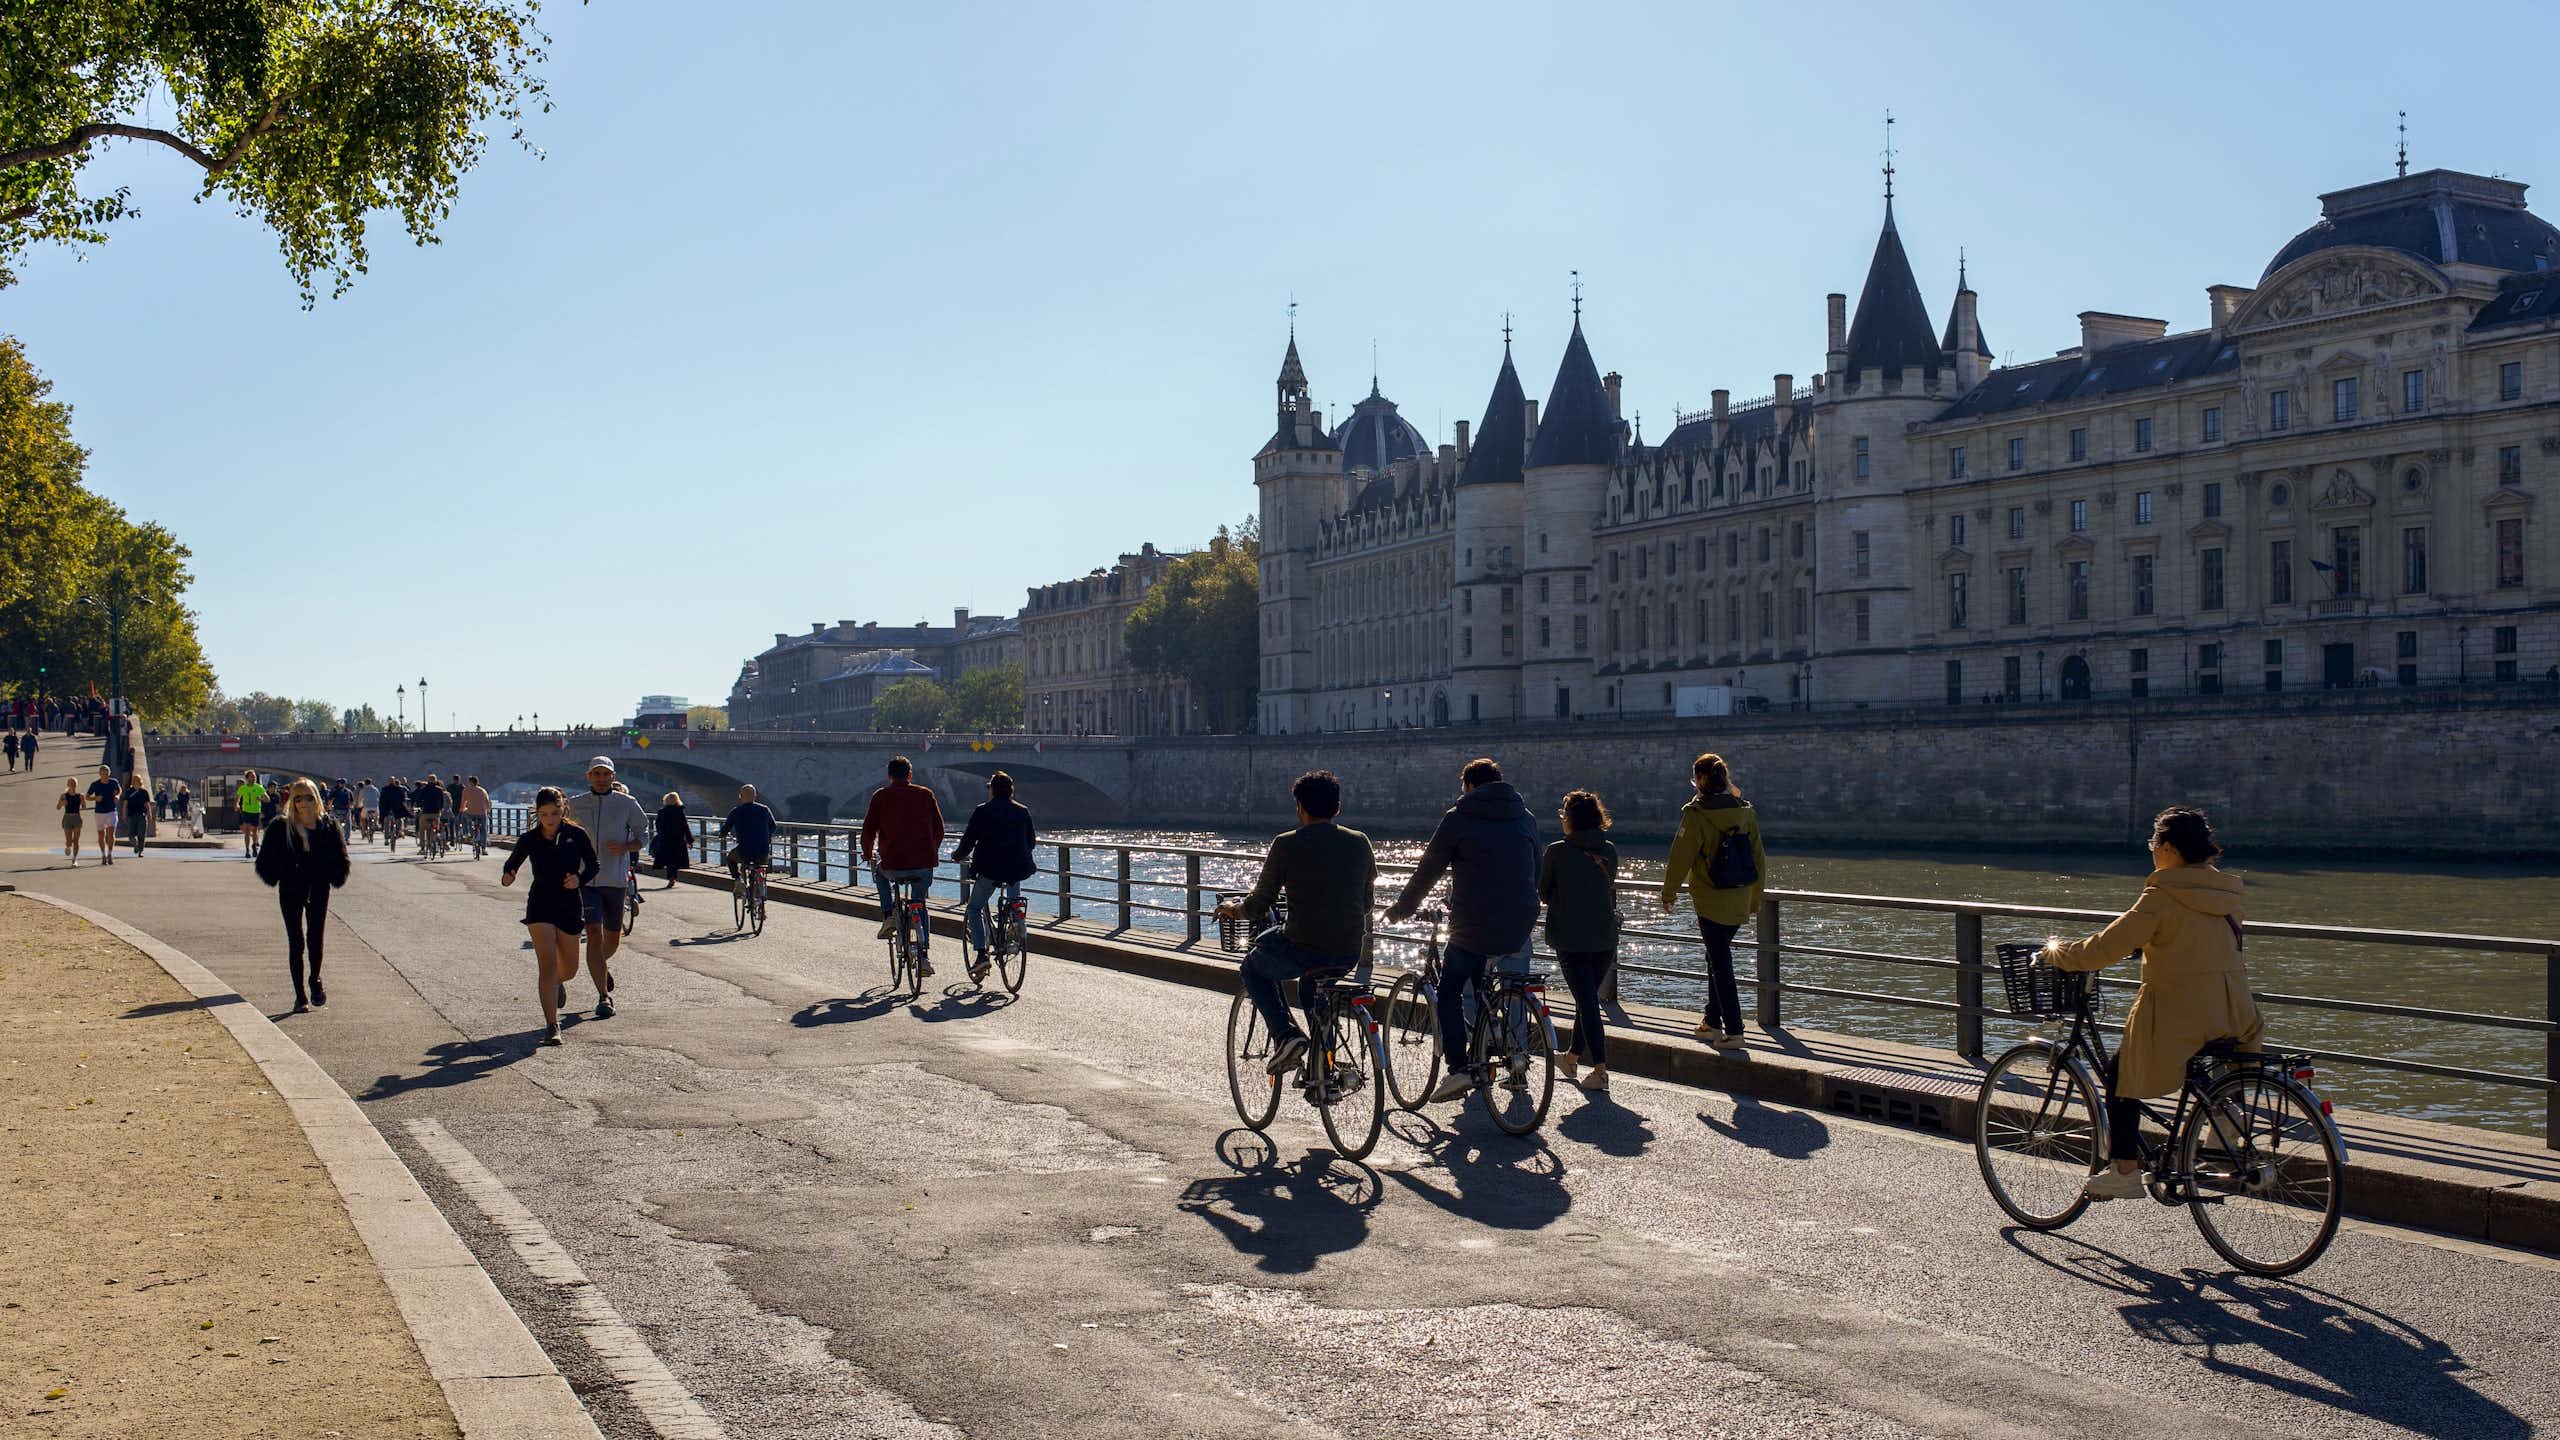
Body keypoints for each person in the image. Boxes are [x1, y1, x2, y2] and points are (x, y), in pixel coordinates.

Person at [2044, 807, 2263, 1201]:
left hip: (2179, 1011)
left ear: (2168, 847)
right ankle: (2223, 1116)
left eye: (2154, 844)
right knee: (2210, 1063)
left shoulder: (2161, 894)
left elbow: (2105, 947)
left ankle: (2124, 1172)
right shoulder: (2228, 894)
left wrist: (2059, 955)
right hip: (2234, 1009)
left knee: (2119, 1076)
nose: (2152, 851)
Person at [1383, 757, 1541, 1103]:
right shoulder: (1525, 818)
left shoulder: (1460, 818)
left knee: (1450, 991)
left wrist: (1400, 910)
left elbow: (1428, 870)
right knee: (1506, 982)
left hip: (1473, 925)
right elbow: (1537, 871)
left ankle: (1459, 1069)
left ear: (1469, 786)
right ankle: (1510, 1052)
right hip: (1520, 922)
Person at [1213, 771, 1376, 1081]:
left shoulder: (1286, 843)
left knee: (1252, 966)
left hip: (1303, 945)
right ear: (1337, 808)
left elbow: (1259, 904)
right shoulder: (1360, 842)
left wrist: (1232, 910)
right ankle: (1323, 1066)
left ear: (1300, 807)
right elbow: (1366, 902)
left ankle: (1286, 1036)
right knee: (1312, 990)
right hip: (1347, 949)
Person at [1660, 752, 1765, 1049]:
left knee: (1720, 963)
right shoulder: (1745, 813)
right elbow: (1759, 859)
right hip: (1740, 898)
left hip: (1710, 899)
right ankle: (1711, 1021)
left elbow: (1679, 857)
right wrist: (1755, 899)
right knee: (1715, 957)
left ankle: (1734, 1029)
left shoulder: (1696, 816)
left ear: (1698, 781)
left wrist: (1668, 894)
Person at [501, 785, 599, 1047]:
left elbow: (593, 865)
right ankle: (551, 1026)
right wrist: (508, 875)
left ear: (562, 809)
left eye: (554, 814)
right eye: (544, 815)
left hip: (568, 904)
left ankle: (557, 983)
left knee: (569, 969)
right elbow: (513, 862)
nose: (549, 820)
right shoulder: (530, 838)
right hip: (540, 904)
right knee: (547, 964)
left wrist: (579, 879)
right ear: (537, 813)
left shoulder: (576, 834)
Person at [1541, 789, 1621, 1091]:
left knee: (1587, 1001)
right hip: (1604, 937)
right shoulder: (1609, 850)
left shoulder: (1556, 851)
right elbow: (1608, 882)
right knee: (1586, 999)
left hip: (1570, 937)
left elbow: (1544, 892)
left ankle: (1600, 1070)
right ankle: (1572, 1057)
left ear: (1570, 819)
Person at [255, 778, 350, 1013]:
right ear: (292, 802)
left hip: (318, 886)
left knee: (315, 938)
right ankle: (300, 996)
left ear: (316, 799)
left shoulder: (328, 825)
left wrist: (332, 875)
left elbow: (341, 858)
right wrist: (280, 874)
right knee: (295, 941)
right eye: (298, 799)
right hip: (291, 887)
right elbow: (265, 862)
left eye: (309, 797)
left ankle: (315, 979)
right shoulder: (280, 827)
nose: (304, 803)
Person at [565, 757, 647, 1016]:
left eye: (605, 774)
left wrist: (626, 847)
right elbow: (559, 832)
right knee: (594, 933)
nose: (601, 778)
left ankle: (599, 967)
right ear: (588, 776)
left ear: (613, 777)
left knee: (612, 939)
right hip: (585, 880)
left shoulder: (627, 804)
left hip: (615, 879)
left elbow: (643, 834)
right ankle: (604, 997)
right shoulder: (575, 805)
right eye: (596, 774)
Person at [860, 757, 945, 975]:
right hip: (924, 864)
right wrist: (931, 851)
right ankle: (924, 956)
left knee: (879, 873)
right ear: (910, 775)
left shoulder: (881, 796)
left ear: (889, 776)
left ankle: (888, 914)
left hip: (893, 863)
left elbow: (868, 830)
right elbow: (939, 828)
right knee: (920, 903)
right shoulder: (926, 794)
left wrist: (868, 853)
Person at [951, 771, 1037, 982]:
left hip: (990, 868)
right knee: (1013, 890)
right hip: (1017, 868)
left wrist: (958, 855)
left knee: (973, 907)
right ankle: (1015, 920)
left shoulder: (983, 811)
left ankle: (981, 954)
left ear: (992, 790)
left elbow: (969, 840)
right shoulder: (1022, 811)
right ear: (1011, 791)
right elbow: (1031, 841)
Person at [719, 784, 776, 882]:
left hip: (744, 850)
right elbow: (773, 826)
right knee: (760, 865)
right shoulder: (764, 809)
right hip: (763, 850)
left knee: (730, 859)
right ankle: (761, 886)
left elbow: (726, 828)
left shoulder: (736, 811)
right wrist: (767, 836)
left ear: (740, 796)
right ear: (755, 796)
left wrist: (722, 835)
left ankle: (737, 878)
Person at [650, 791, 691, 888]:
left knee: (669, 861)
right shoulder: (680, 811)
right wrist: (689, 840)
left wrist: (662, 834)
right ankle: (673, 877)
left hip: (665, 840)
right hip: (678, 840)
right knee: (675, 860)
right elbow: (685, 826)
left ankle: (671, 878)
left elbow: (658, 826)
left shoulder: (662, 812)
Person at [87, 765, 122, 865]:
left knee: (111, 834)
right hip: (99, 812)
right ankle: (103, 855)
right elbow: (87, 796)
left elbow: (119, 790)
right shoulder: (95, 784)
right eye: (103, 774)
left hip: (111, 811)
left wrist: (117, 796)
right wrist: (95, 798)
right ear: (100, 774)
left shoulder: (113, 782)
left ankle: (110, 854)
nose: (105, 776)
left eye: (106, 774)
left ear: (109, 773)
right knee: (101, 835)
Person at [235, 769, 269, 860]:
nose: (254, 778)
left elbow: (267, 799)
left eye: (254, 776)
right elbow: (237, 798)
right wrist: (237, 805)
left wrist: (260, 799)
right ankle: (247, 850)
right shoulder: (243, 788)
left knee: (254, 831)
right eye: (252, 776)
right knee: (246, 831)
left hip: (256, 811)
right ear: (247, 778)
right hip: (246, 811)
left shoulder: (259, 787)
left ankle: (254, 846)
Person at [412, 773, 449, 854]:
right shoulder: (439, 790)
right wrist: (440, 809)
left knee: (422, 829)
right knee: (436, 828)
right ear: (435, 780)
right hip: (436, 813)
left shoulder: (424, 789)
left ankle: (422, 847)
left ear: (428, 780)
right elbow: (442, 802)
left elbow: (418, 801)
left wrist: (420, 805)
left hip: (426, 812)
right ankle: (435, 840)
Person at [457, 774, 492, 853]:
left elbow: (463, 803)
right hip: (482, 813)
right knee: (483, 829)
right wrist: (488, 811)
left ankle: (466, 833)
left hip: (470, 813)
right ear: (477, 782)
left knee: (463, 817)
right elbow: (487, 802)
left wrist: (461, 810)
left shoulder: (466, 790)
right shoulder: (483, 790)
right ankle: (483, 848)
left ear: (470, 782)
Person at [121, 770, 151, 857]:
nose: (136, 782)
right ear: (133, 782)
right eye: (134, 780)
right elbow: (125, 804)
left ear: (140, 781)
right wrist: (124, 814)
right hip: (132, 815)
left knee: (141, 835)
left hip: (142, 815)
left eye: (138, 780)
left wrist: (149, 814)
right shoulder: (129, 791)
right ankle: (135, 845)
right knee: (131, 835)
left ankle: (140, 851)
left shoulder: (144, 792)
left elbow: (147, 804)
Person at [58, 778, 86, 863]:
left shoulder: (80, 795)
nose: (72, 784)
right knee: (69, 841)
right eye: (70, 783)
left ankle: (74, 859)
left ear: (76, 784)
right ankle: (68, 846)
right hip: (67, 818)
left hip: (76, 818)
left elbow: (84, 807)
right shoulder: (63, 795)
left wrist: (83, 802)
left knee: (76, 840)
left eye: (74, 783)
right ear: (68, 785)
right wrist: (62, 803)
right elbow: (58, 807)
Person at [379, 776, 410, 852]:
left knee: (387, 823)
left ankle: (387, 838)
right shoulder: (399, 789)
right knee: (399, 820)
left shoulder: (384, 789)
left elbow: (381, 801)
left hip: (388, 810)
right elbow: (403, 800)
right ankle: (399, 832)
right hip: (396, 810)